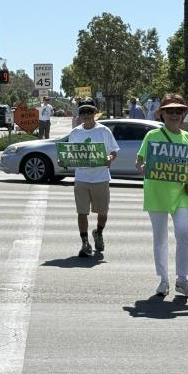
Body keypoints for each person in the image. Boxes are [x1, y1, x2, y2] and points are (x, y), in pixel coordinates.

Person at [135, 93, 188, 298]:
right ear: (161, 114)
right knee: (160, 239)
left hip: (181, 193)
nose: (174, 114)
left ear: (184, 114)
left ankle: (182, 279)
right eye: (169, 111)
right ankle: (163, 280)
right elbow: (139, 161)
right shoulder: (152, 136)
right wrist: (142, 168)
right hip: (157, 193)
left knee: (183, 233)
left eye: (178, 111)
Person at [68, 97, 119, 257]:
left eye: (89, 111)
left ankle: (98, 232)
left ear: (95, 112)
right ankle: (85, 243)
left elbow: (114, 151)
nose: (86, 114)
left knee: (102, 212)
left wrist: (110, 158)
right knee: (82, 212)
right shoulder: (75, 132)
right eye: (83, 111)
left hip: (101, 178)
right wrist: (64, 160)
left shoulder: (104, 131)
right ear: (79, 114)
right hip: (81, 178)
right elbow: (70, 154)